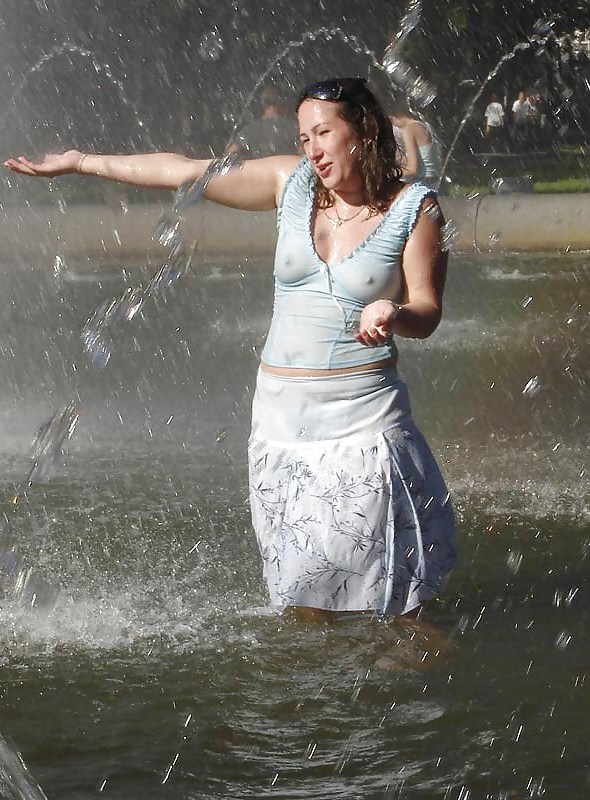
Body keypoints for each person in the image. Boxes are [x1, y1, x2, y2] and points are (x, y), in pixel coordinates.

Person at [5, 77, 457, 619]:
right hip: (278, 426)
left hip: (359, 425)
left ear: (361, 130)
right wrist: (81, 162)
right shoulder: (289, 184)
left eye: (323, 133)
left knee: (389, 602)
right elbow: (184, 171)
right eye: (303, 136)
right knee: (302, 604)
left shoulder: (415, 209)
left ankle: (408, 685)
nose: (311, 149)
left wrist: (395, 313)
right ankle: (326, 702)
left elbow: (426, 311)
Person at [226, 85, 299, 158]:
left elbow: (230, 154)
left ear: (263, 103)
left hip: (257, 168)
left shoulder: (249, 129)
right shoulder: (293, 127)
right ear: (281, 102)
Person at [389, 100, 441, 184]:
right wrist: (399, 160)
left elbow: (412, 170)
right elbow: (424, 159)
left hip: (420, 183)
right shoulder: (424, 125)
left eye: (391, 119)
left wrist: (388, 174)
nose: (394, 125)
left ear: (397, 114)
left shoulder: (408, 129)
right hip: (433, 180)